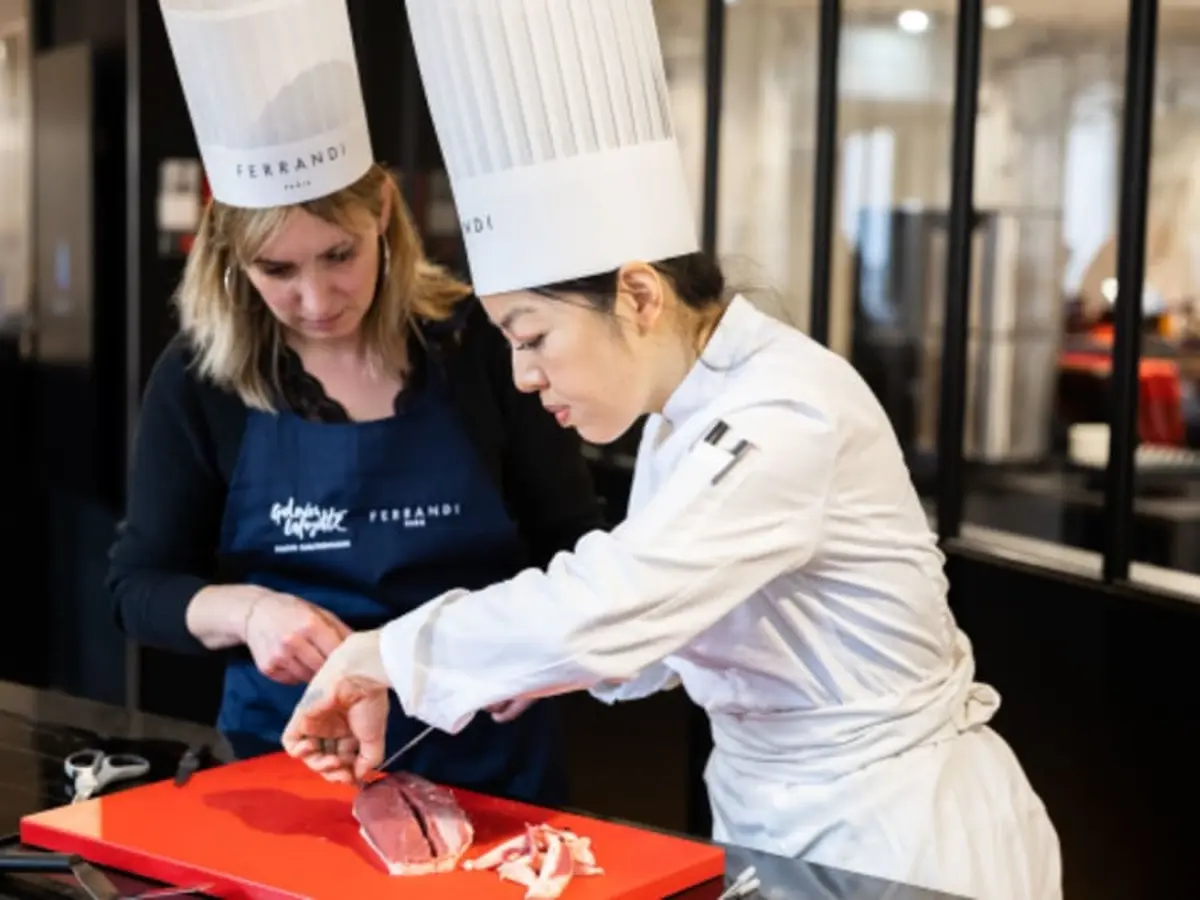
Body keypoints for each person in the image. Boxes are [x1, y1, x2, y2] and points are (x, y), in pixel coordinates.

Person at [282, 1, 1063, 898]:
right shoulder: (680, 418)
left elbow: (621, 600)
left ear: (641, 296)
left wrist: (387, 653)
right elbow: (657, 629)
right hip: (778, 818)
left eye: (531, 336)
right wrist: (527, 674)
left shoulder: (783, 412)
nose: (525, 377)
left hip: (899, 841)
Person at [106, 0, 604, 808]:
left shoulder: (482, 346)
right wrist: (250, 611)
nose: (314, 299)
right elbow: (138, 588)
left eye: (339, 255)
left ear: (381, 213)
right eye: (277, 270)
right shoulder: (202, 377)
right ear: (233, 258)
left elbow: (575, 543)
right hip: (291, 765)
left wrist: (548, 653)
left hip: (491, 764)